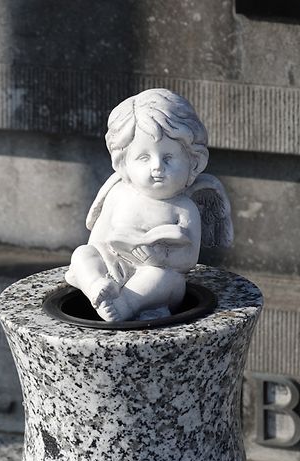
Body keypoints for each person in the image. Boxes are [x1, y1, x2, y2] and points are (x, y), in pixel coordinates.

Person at [65, 89, 210, 322]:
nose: (157, 166)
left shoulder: (184, 208)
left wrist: (157, 259)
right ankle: (96, 288)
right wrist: (108, 258)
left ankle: (125, 305)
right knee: (83, 254)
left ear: (193, 162)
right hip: (116, 269)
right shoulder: (118, 194)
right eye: (144, 157)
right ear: (123, 163)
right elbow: (97, 239)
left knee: (165, 278)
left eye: (168, 157)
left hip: (153, 275)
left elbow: (189, 259)